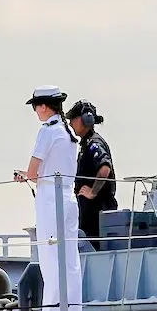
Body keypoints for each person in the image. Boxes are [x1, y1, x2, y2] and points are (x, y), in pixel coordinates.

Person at [13, 86, 82, 311]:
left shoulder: (47, 132)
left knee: (51, 261)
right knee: (71, 263)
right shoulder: (68, 132)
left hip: (50, 200)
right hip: (69, 197)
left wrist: (24, 176)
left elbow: (33, 172)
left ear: (43, 106)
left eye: (35, 107)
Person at [67, 102, 115, 251]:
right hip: (89, 214)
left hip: (97, 214)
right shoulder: (86, 145)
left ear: (84, 119)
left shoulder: (94, 143)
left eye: (73, 119)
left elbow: (105, 168)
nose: (70, 123)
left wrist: (93, 192)